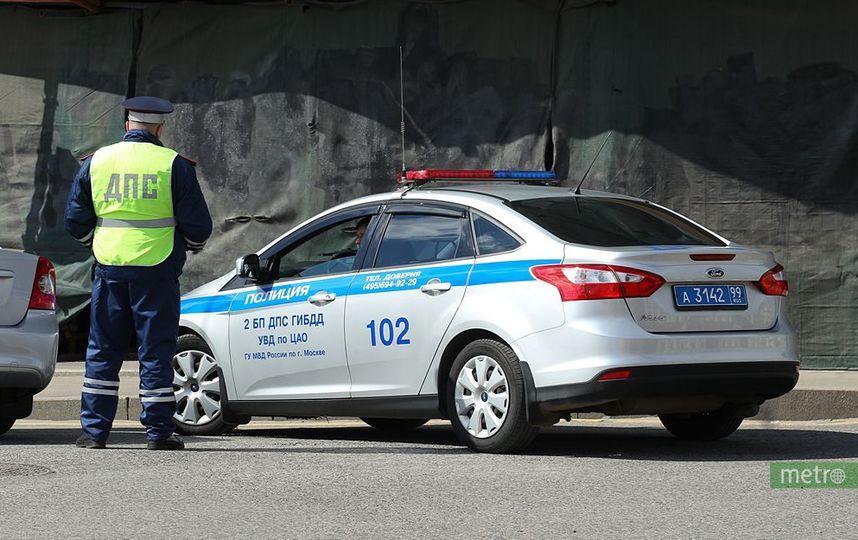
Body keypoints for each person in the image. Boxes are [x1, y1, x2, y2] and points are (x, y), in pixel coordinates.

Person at [64, 96, 212, 450]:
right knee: (155, 350)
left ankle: (95, 432)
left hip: (109, 267)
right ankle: (158, 432)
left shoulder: (96, 162)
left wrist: (96, 243)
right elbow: (198, 228)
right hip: (157, 269)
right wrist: (183, 249)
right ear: (159, 128)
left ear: (127, 125)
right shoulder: (174, 165)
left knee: (103, 349)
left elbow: (75, 221)